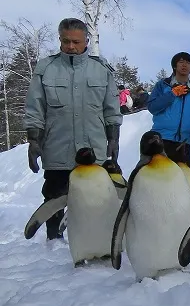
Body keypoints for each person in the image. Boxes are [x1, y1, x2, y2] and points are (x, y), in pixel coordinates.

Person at [23, 17, 122, 240]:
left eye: (76, 42)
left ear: (86, 40)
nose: (71, 46)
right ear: (60, 39)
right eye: (66, 41)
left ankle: (96, 243)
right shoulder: (46, 68)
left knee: (97, 200)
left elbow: (111, 109)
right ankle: (54, 243)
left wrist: (113, 138)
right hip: (58, 148)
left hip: (93, 151)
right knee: (54, 197)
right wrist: (33, 140)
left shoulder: (101, 69)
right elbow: (35, 107)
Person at [147, 52, 190, 168]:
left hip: (184, 143)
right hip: (161, 140)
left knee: (182, 182)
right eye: (181, 62)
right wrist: (172, 94)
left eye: (188, 62)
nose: (184, 65)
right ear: (174, 66)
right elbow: (152, 107)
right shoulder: (163, 85)